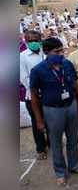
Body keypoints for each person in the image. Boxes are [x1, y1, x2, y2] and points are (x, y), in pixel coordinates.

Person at [30, 37, 78, 185]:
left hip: (71, 106)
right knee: (56, 143)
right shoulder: (37, 70)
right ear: (46, 52)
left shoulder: (67, 64)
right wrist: (39, 119)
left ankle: (74, 165)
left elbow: (75, 85)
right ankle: (60, 172)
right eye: (57, 51)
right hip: (52, 111)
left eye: (62, 50)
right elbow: (34, 96)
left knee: (73, 139)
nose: (61, 53)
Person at [20, 30, 50, 160]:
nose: (34, 43)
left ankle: (51, 142)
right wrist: (37, 89)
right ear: (26, 41)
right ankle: (41, 148)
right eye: (30, 40)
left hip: (48, 94)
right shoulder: (22, 56)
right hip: (33, 96)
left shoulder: (45, 53)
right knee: (37, 122)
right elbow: (24, 78)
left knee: (49, 120)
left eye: (36, 40)